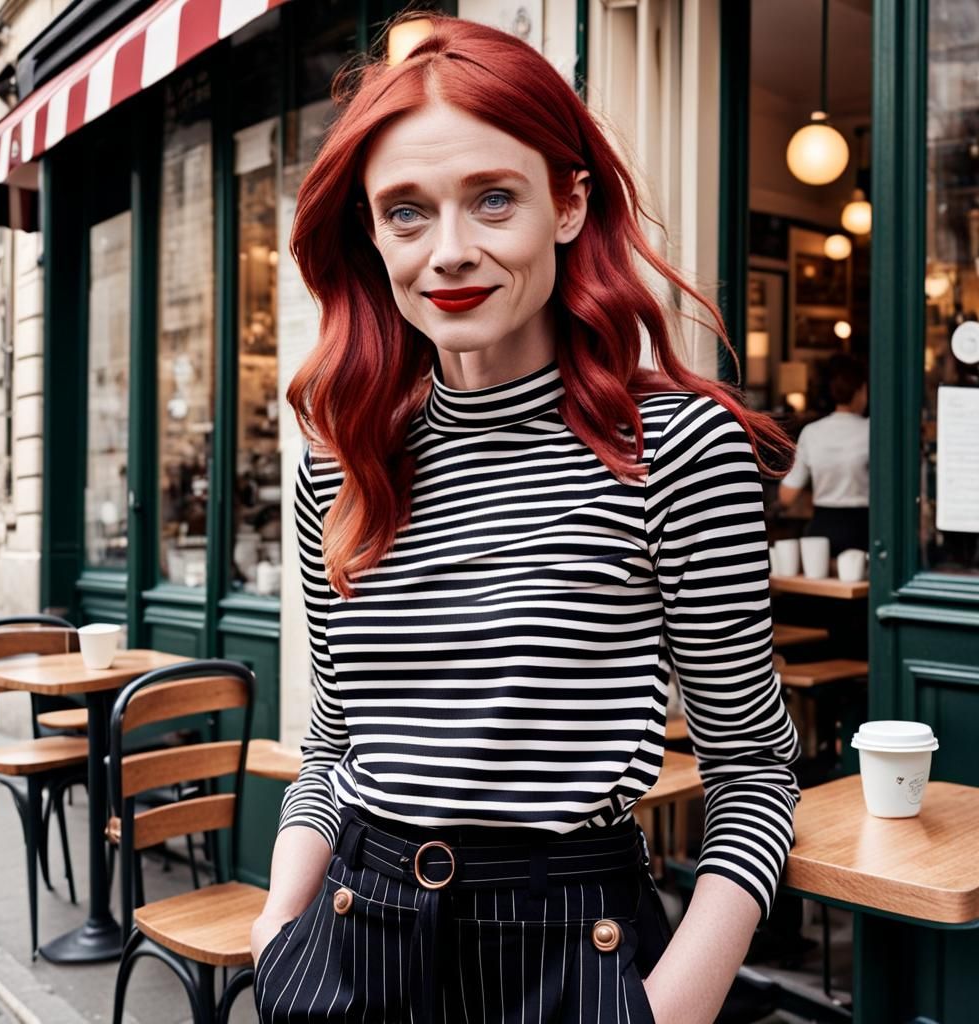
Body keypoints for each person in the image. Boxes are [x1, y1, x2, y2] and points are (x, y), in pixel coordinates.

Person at [251, 13, 802, 1023]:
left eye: (492, 199)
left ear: (565, 203)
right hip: (348, 939)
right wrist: (278, 931)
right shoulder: (341, 463)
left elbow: (753, 768)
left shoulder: (673, 449)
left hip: (566, 955)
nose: (450, 251)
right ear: (369, 236)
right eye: (406, 212)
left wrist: (667, 1007)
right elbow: (333, 744)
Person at [779, 354, 870, 555]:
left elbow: (786, 496)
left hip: (821, 531)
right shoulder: (873, 431)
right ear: (860, 391)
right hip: (864, 531)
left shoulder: (812, 432)